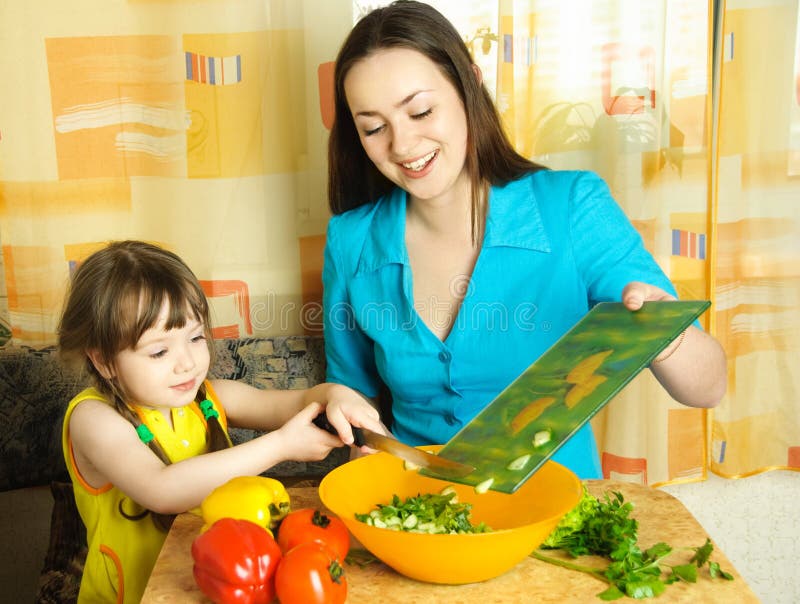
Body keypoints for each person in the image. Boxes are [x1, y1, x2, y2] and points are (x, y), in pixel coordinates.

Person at [321, 0, 726, 479]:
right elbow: (353, 405)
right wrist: (362, 449)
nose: (402, 146)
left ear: (470, 85)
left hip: (560, 513)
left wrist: (666, 337)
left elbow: (708, 388)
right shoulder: (350, 241)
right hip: (420, 512)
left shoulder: (572, 206)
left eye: (422, 111)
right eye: (373, 127)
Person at [57, 240, 380, 604]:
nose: (187, 362)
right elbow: (162, 490)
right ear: (104, 361)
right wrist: (281, 445)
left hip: (205, 589)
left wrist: (336, 395)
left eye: (195, 337)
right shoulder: (94, 419)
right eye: (160, 351)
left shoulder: (210, 397)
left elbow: (297, 402)